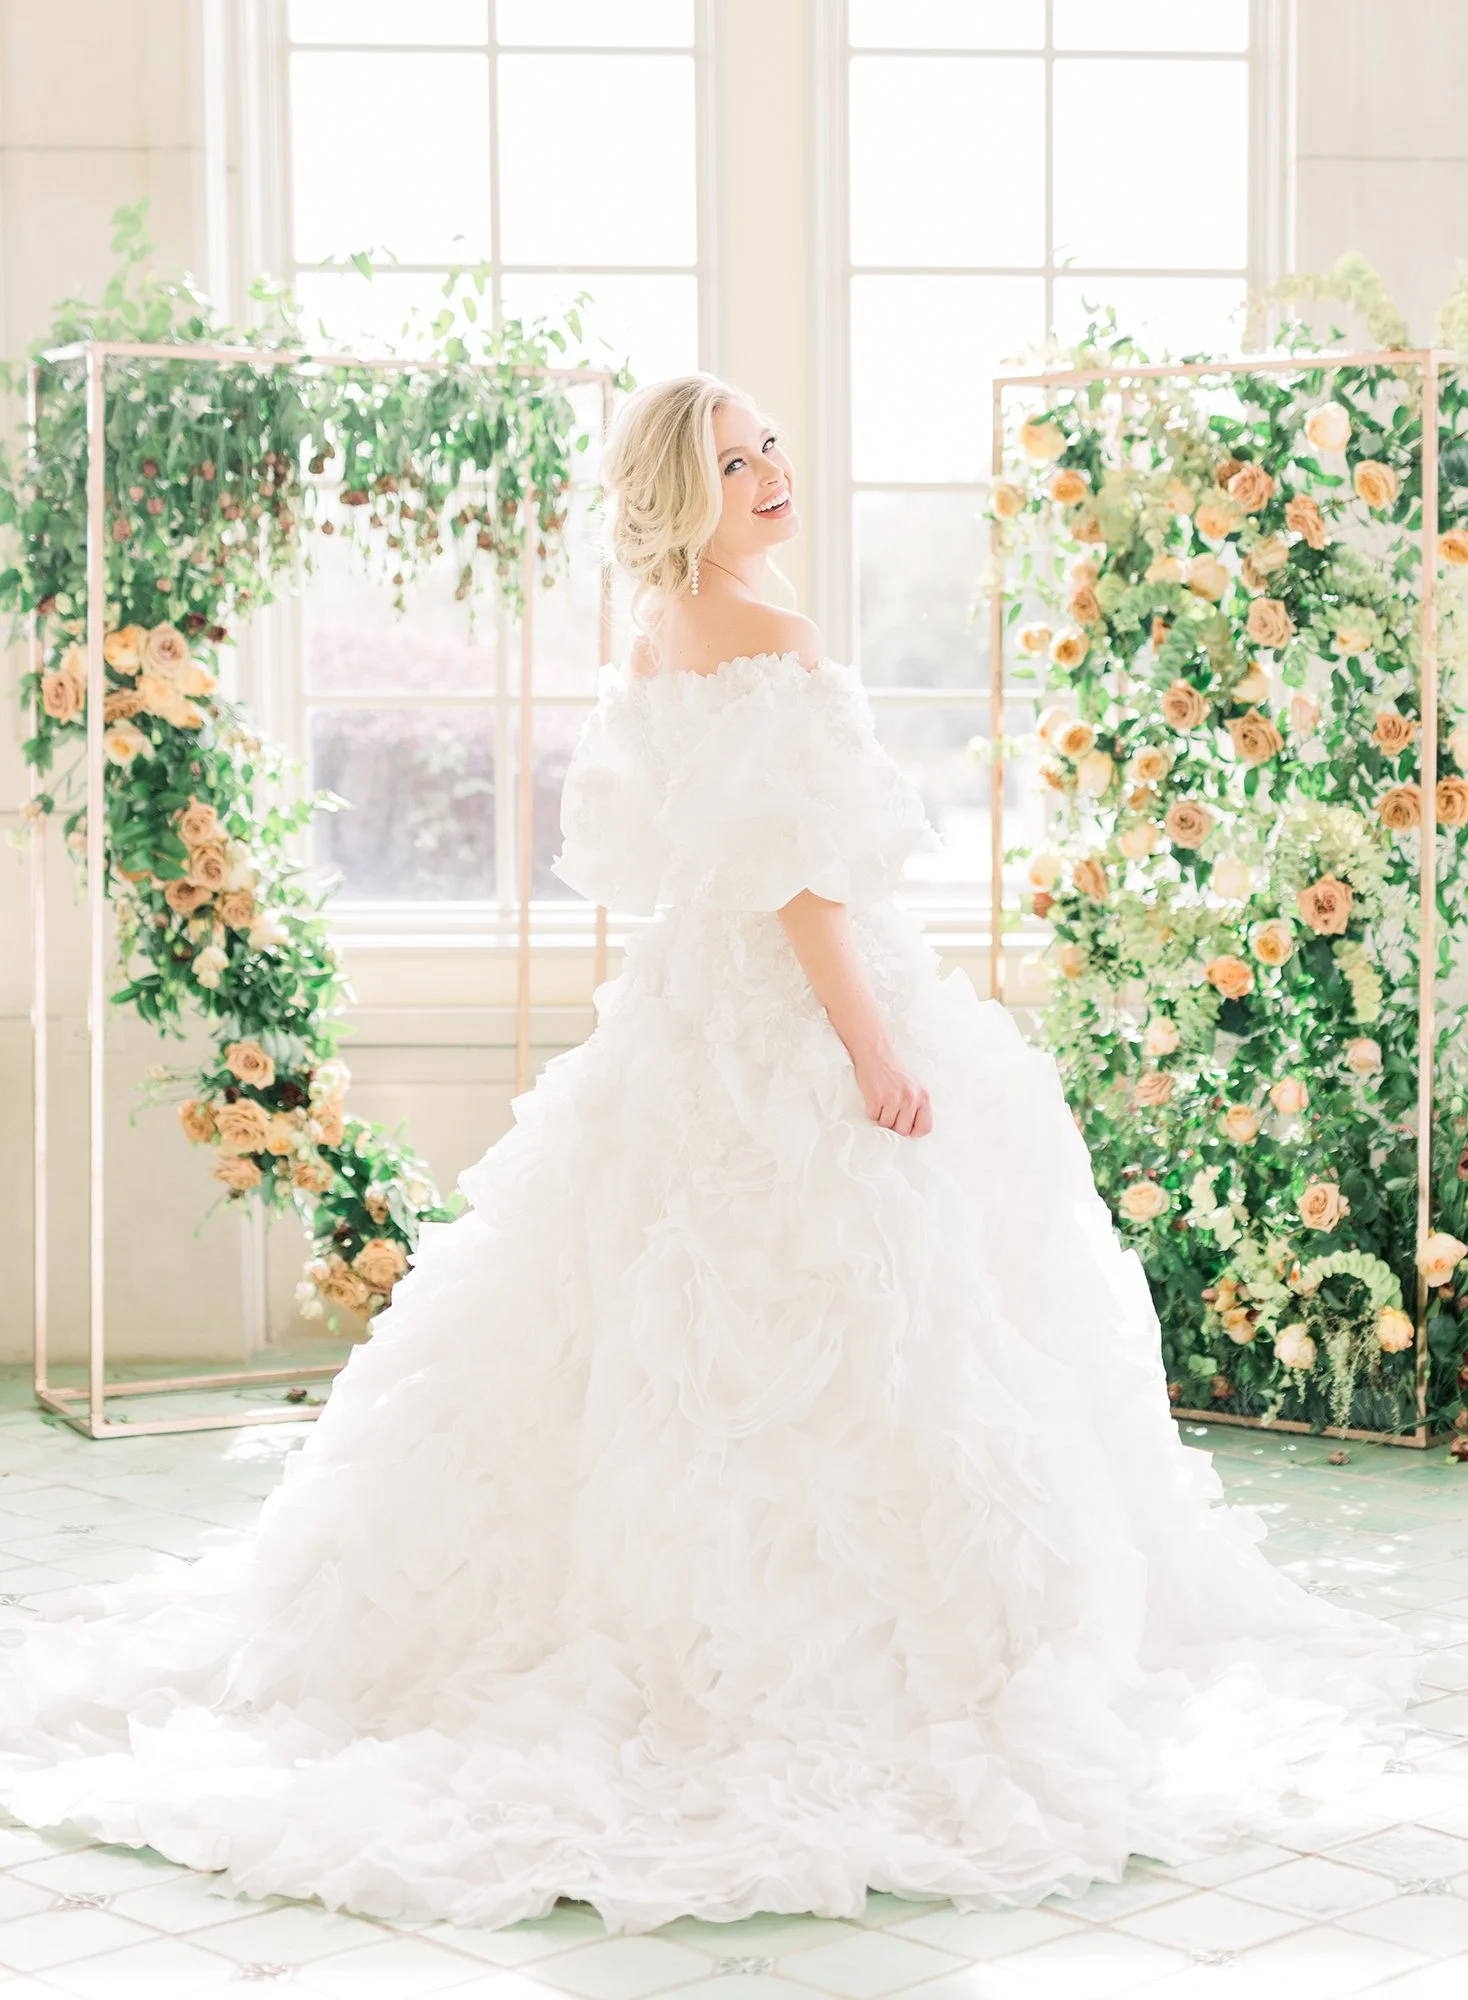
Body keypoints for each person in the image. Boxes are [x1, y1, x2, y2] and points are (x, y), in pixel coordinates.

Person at [0, 374, 1415, 1936]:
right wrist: (874, 1050)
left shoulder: (660, 632)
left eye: (769, 446)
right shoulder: (773, 642)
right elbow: (802, 877)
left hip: (687, 1023)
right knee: (871, 1327)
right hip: (800, 1025)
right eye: (731, 462)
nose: (768, 473)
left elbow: (683, 859)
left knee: (659, 1325)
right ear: (682, 493)